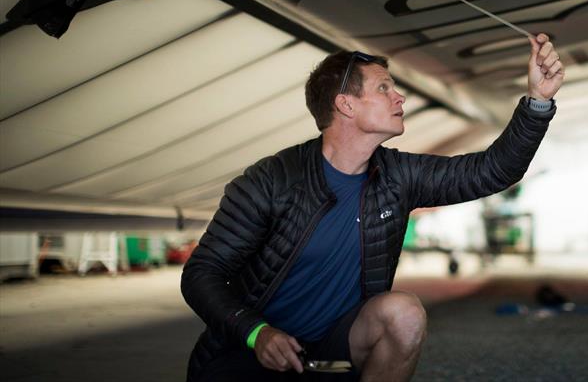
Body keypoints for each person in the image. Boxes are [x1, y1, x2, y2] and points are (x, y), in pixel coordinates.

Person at [181, 33, 564, 381]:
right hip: (248, 352)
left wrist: (538, 101)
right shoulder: (271, 181)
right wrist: (255, 332)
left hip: (335, 350)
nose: (399, 98)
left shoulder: (399, 176)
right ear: (345, 105)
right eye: (384, 88)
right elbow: (202, 272)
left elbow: (491, 171)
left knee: (404, 313)